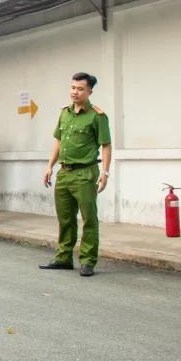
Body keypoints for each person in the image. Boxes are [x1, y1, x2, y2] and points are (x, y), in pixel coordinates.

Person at [40, 72, 112, 277]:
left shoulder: (97, 116)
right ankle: (63, 257)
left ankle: (88, 260)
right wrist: (49, 166)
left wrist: (105, 172)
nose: (75, 92)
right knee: (65, 218)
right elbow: (58, 141)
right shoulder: (64, 113)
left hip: (85, 173)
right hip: (64, 173)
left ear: (89, 91)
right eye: (73, 87)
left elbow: (106, 145)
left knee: (89, 218)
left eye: (80, 89)